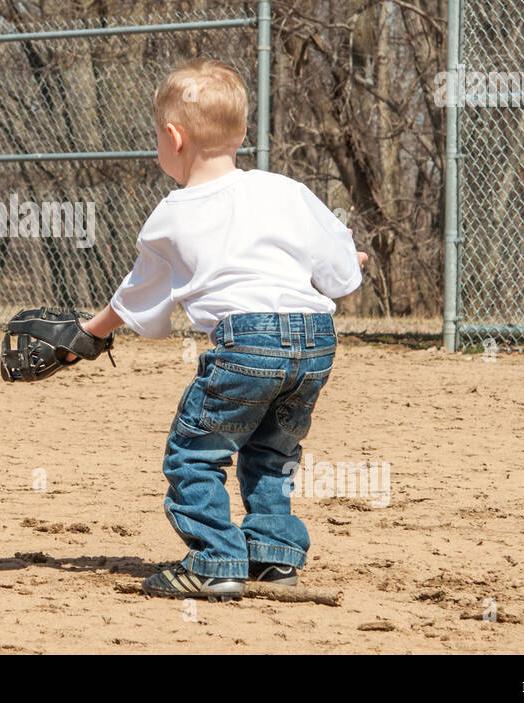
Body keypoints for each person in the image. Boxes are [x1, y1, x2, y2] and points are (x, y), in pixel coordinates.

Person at [74, 59, 368, 600]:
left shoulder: (173, 213)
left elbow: (139, 300)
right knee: (272, 452)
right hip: (315, 342)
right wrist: (353, 260)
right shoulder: (285, 190)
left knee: (195, 452)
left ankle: (214, 560)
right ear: (239, 133)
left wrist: (89, 334)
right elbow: (340, 272)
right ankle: (273, 554)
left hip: (246, 342)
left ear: (174, 137)